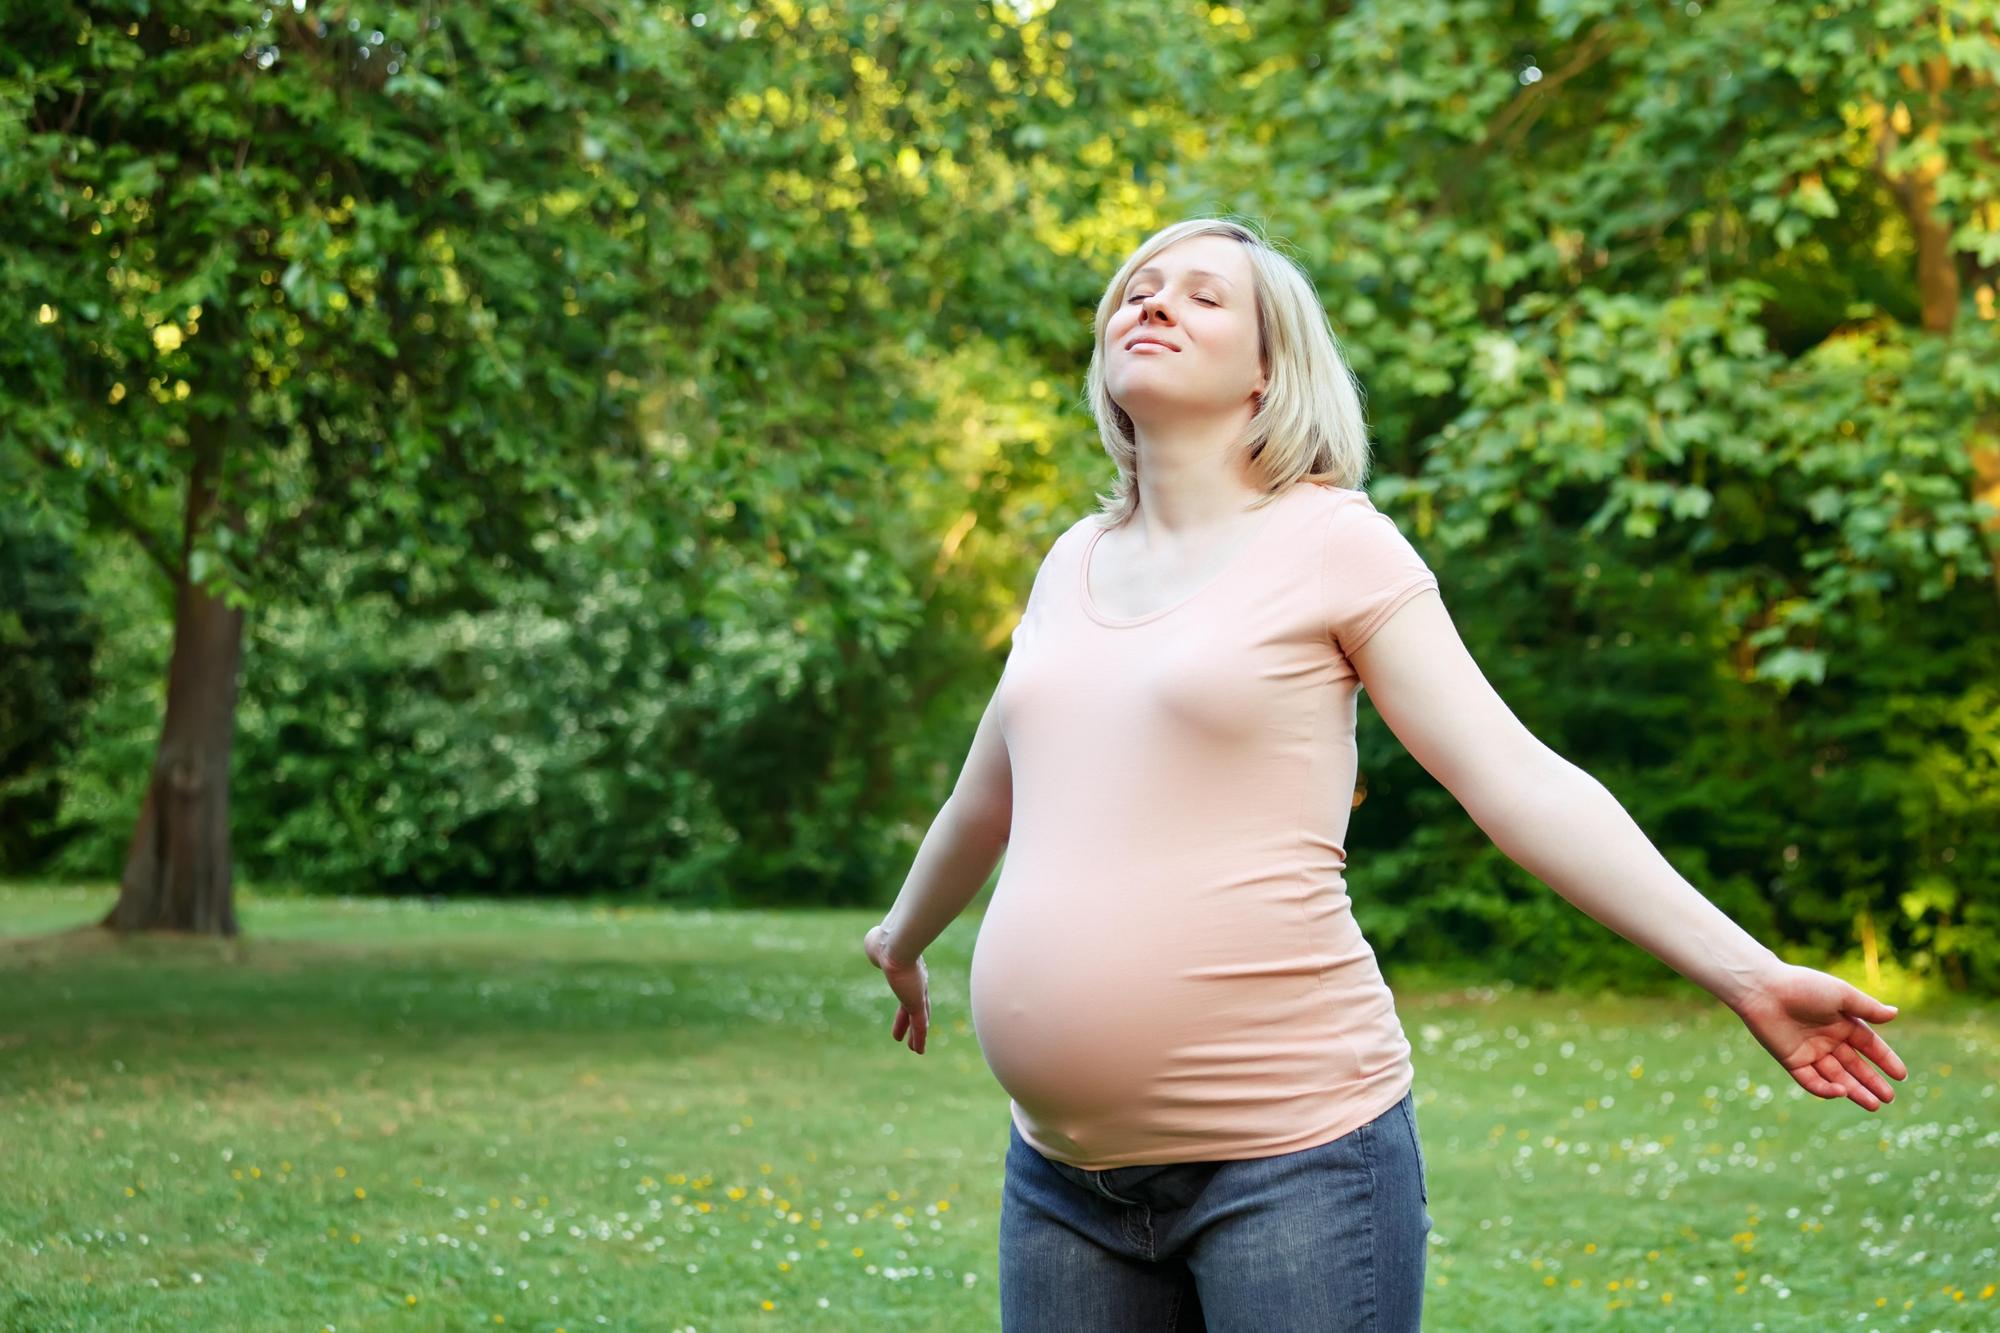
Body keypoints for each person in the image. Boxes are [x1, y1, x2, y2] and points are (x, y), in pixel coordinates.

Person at [861, 216, 1909, 1331]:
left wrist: (1744, 972)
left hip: (1292, 1168)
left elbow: (1515, 780)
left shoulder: (1331, 543)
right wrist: (903, 932)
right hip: (1062, 1181)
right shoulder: (1072, 557)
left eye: (1203, 296)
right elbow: (992, 790)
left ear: (1269, 373)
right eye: (1138, 289)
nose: (1152, 303)